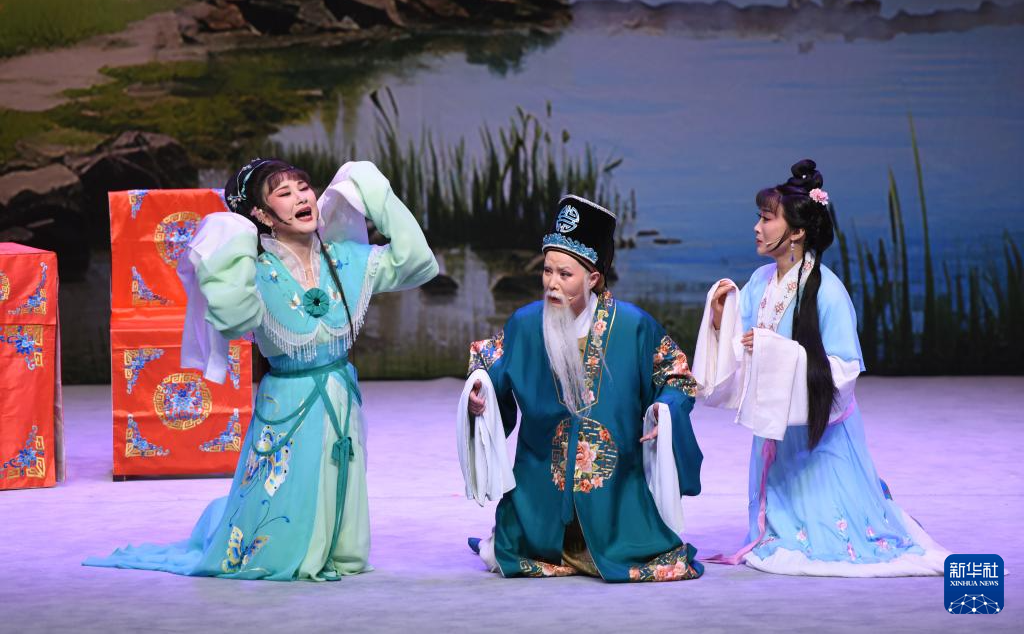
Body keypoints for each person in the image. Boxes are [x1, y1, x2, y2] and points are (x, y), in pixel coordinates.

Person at [85, 158, 438, 580]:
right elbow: (234, 318)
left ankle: (339, 549)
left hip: (340, 390)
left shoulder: (345, 259)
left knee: (339, 474)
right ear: (263, 214)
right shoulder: (255, 270)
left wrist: (372, 189)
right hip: (288, 398)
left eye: (303, 187)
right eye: (284, 193)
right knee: (283, 493)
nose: (302, 198)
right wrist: (233, 242)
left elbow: (417, 261)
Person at [691, 159, 948, 576]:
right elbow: (741, 352)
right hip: (777, 430)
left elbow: (843, 371)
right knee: (780, 538)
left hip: (819, 434)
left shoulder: (828, 290)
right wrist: (721, 320)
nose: (757, 227)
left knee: (833, 539)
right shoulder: (759, 283)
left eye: (766, 219)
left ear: (796, 232)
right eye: (759, 217)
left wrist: (777, 352)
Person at [457, 194, 704, 582]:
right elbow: (487, 364)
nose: (552, 284)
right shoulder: (526, 324)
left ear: (593, 278)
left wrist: (665, 409)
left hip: (615, 493)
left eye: (565, 274)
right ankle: (545, 540)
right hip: (540, 483)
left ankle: (603, 540)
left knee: (643, 555)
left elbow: (677, 377)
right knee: (514, 550)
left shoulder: (633, 327)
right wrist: (479, 392)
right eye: (547, 271)